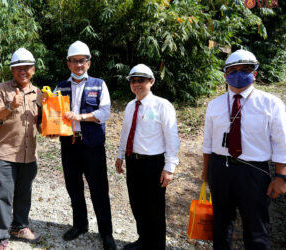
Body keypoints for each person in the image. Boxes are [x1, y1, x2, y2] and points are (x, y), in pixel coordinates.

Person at [201, 49, 286, 249]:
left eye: (245, 69)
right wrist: (206, 171)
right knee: (221, 225)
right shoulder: (214, 105)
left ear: (254, 73)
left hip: (254, 172)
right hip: (220, 169)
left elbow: (281, 141)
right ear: (225, 75)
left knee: (256, 229)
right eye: (233, 70)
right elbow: (207, 142)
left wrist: (281, 177)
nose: (238, 74)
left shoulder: (270, 103)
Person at [46, 41, 116, 250]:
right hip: (69, 144)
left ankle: (107, 233)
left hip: (92, 145)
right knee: (73, 187)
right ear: (68, 64)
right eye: (74, 61)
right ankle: (80, 224)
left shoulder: (99, 84)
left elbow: (105, 113)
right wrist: (51, 128)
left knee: (99, 189)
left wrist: (80, 116)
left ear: (89, 63)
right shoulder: (60, 86)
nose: (78, 65)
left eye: (82, 61)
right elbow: (53, 115)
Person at [115, 64, 180, 250]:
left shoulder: (162, 105)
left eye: (141, 80)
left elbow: (172, 137)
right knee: (137, 203)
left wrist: (169, 168)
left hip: (153, 163)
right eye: (133, 81)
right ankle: (143, 240)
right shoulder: (130, 106)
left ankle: (156, 246)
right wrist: (120, 155)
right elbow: (126, 132)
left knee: (154, 208)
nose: (136, 84)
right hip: (133, 161)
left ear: (151, 81)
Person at [0, 48, 42, 250]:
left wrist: (50, 125)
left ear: (33, 70)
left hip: (29, 155)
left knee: (24, 194)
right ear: (12, 70)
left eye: (27, 67)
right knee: (3, 196)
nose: (23, 71)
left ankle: (19, 226)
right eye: (18, 67)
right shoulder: (2, 90)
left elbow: (41, 125)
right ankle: (1, 239)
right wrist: (10, 106)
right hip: (5, 153)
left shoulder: (38, 93)